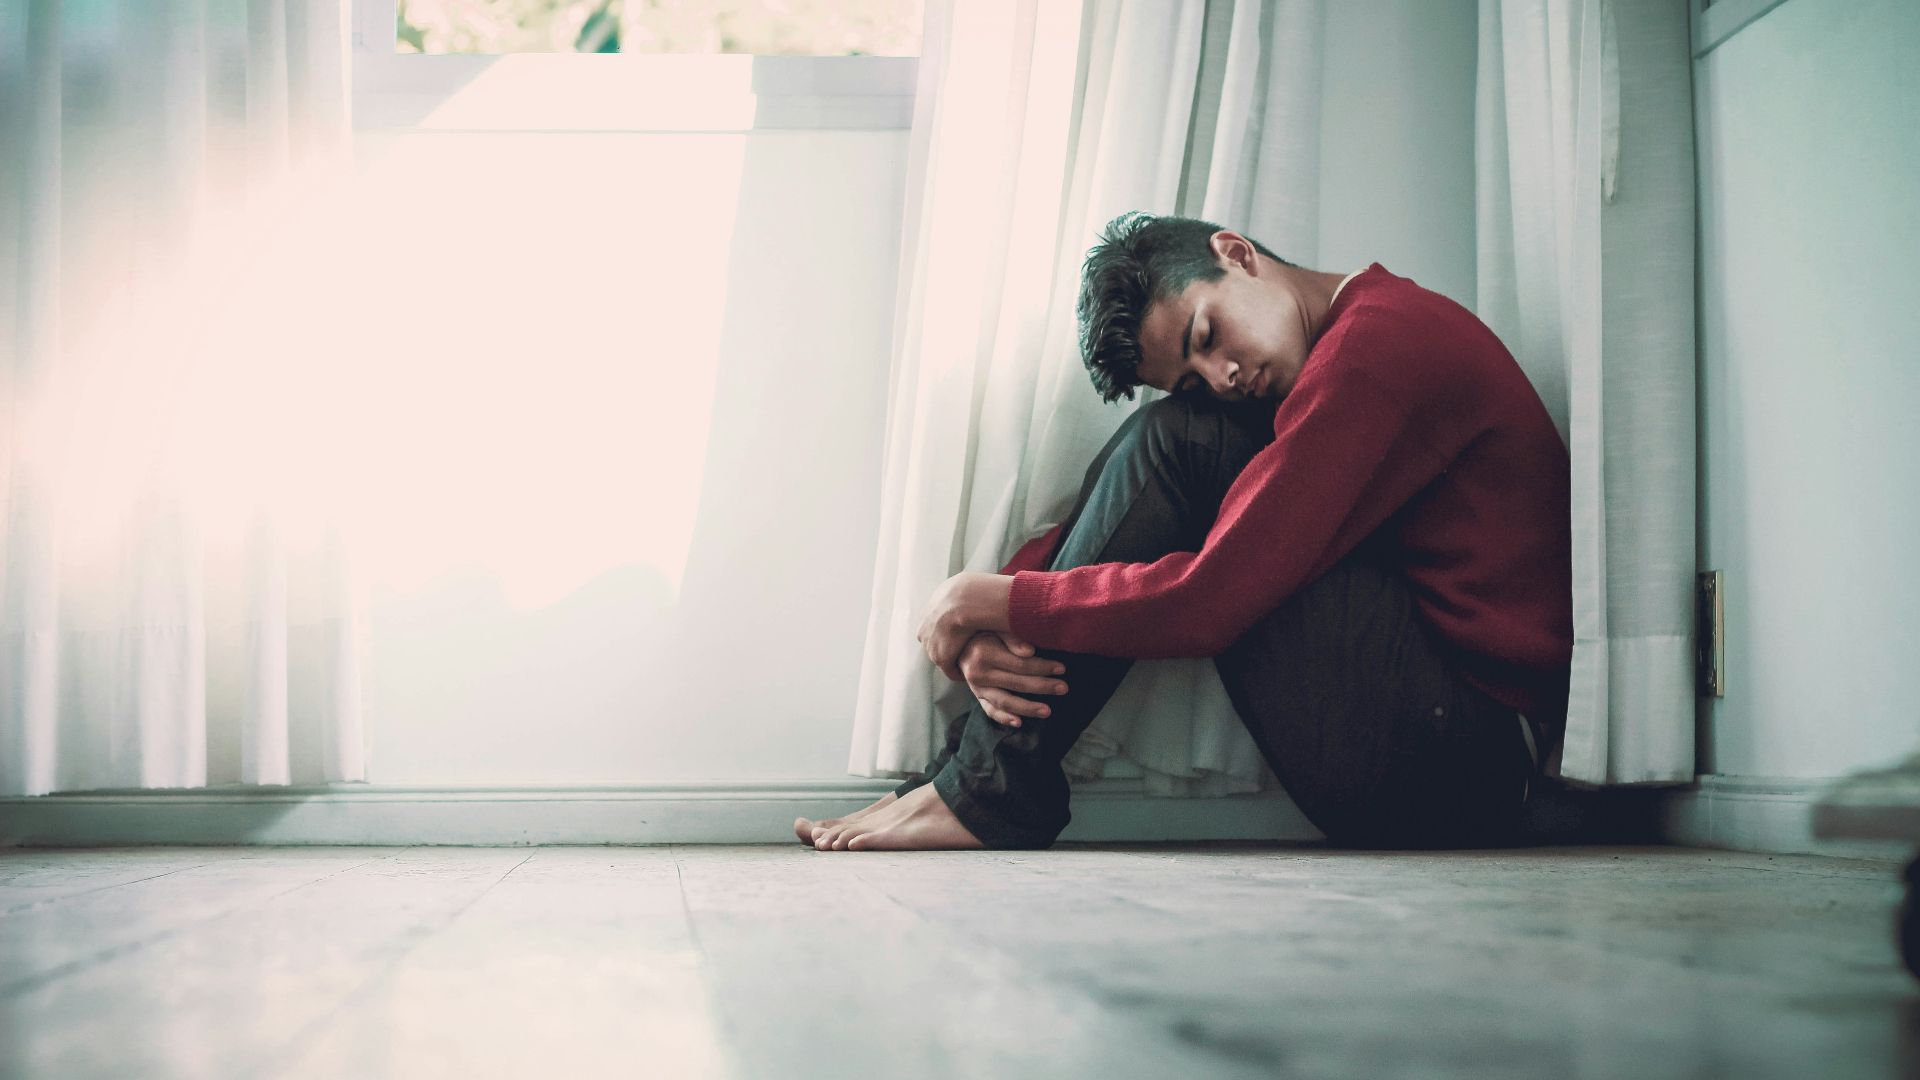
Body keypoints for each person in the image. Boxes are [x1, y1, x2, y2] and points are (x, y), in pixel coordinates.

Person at [795, 212, 1573, 852]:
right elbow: (1143, 519)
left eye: (1207, 334)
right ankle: (972, 780)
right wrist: (994, 612)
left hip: (1466, 764)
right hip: (1435, 735)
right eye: (1196, 374)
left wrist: (994, 602)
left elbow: (1212, 600)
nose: (1225, 377)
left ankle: (983, 790)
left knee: (1182, 439)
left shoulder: (1379, 351)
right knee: (1178, 432)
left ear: (1237, 254)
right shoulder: (1346, 350)